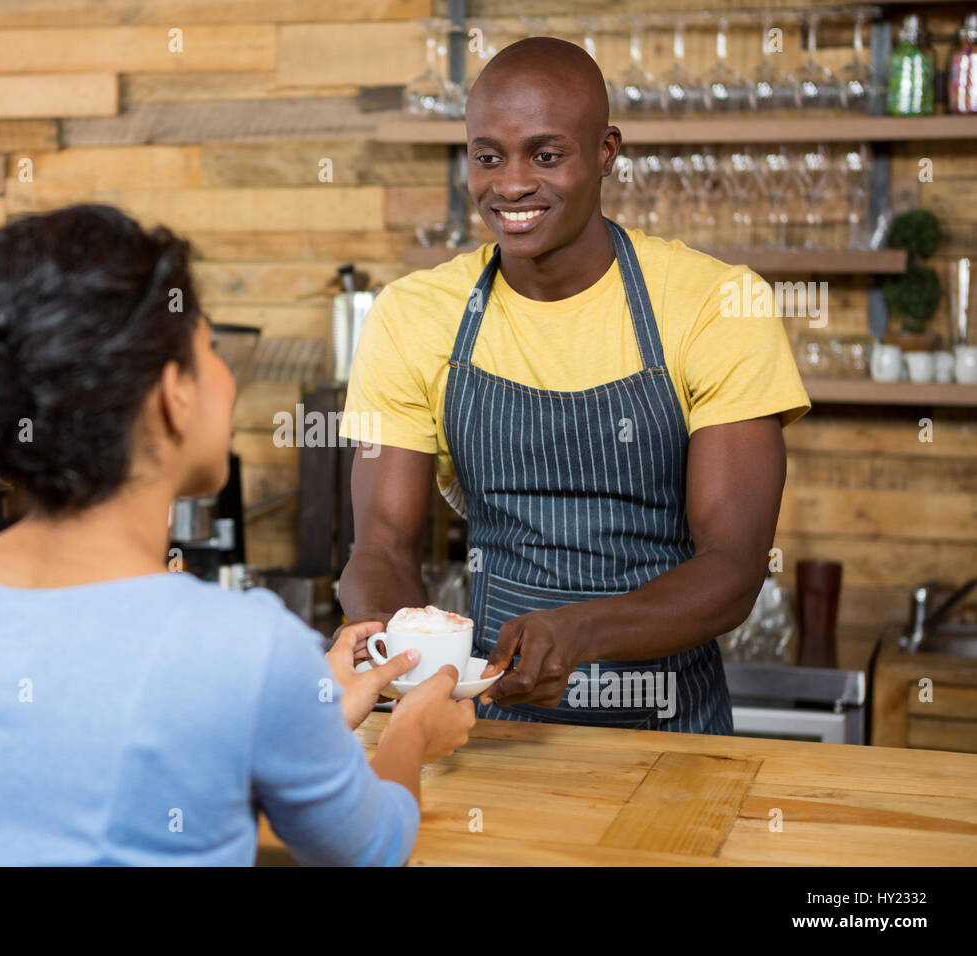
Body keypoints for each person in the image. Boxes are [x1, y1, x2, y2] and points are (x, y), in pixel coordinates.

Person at [0, 204, 475, 865]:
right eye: (208, 349)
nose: (227, 379)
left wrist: (302, 706)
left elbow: (83, 742)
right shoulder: (244, 646)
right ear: (172, 393)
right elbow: (369, 849)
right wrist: (410, 733)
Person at [337, 38, 810, 733]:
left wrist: (578, 635)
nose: (512, 184)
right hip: (490, 728)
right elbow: (380, 544)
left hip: (673, 737)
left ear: (606, 151)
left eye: (546, 154)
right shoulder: (413, 315)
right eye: (488, 156)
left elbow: (735, 568)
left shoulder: (713, 304)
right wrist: (403, 650)